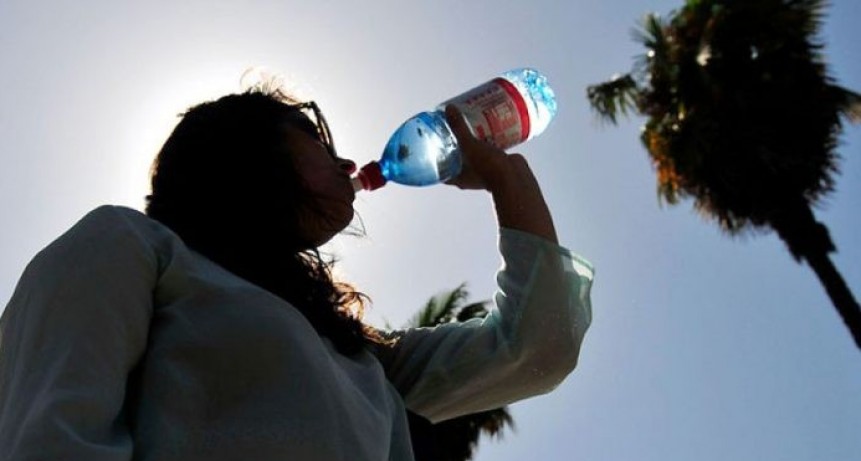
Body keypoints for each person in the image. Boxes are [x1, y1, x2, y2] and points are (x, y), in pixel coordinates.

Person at [0, 82, 594, 460]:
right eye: (314, 137)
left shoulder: (358, 361)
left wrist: (507, 179)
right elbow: (53, 436)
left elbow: (537, 347)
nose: (343, 160)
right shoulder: (128, 244)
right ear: (246, 155)